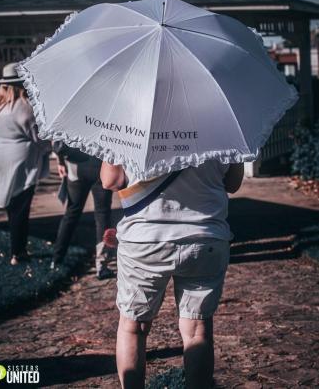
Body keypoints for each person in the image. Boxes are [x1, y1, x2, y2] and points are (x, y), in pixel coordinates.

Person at [101, 159, 244, 389]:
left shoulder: (131, 124)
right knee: (198, 331)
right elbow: (233, 183)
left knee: (133, 327)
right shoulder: (219, 123)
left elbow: (112, 180)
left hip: (144, 238)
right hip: (204, 234)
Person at [0, 63, 51, 265]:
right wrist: (49, 149)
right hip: (20, 163)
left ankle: (17, 247)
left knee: (10, 206)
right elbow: (38, 137)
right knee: (20, 208)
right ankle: (18, 252)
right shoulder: (25, 108)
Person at [51, 143, 114, 280]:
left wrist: (60, 161)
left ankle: (56, 259)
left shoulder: (70, 119)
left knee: (72, 212)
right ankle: (101, 266)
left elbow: (57, 142)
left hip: (76, 165)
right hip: (101, 165)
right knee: (103, 214)